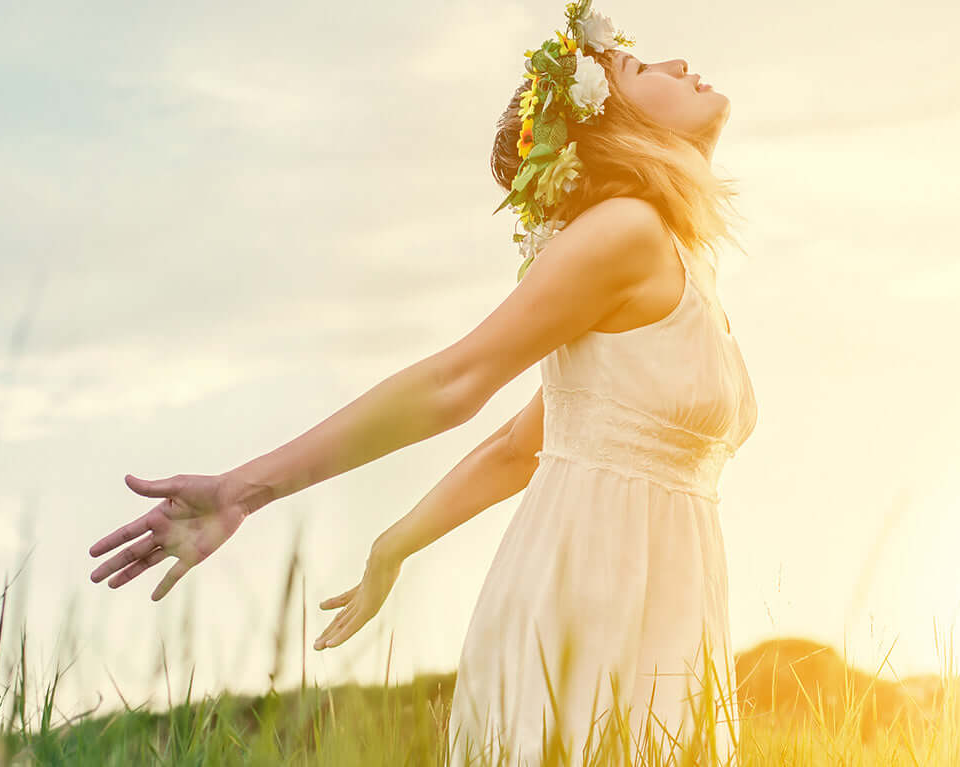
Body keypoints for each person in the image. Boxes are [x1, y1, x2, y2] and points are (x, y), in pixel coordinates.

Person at [84, 2, 754, 763]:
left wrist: (395, 543)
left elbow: (520, 444)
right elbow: (456, 380)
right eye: (639, 68)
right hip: (592, 604)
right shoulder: (625, 232)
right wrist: (247, 487)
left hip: (666, 607)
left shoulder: (675, 259)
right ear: (612, 127)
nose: (673, 65)